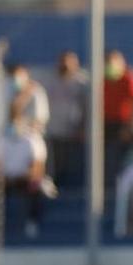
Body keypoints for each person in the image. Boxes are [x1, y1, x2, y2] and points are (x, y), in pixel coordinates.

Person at [0, 113, 47, 239]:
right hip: (5, 180)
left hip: (24, 180)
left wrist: (27, 176)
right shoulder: (1, 141)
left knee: (36, 187)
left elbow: (37, 167)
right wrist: (3, 178)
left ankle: (32, 222)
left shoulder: (31, 140)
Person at [45, 51, 88, 188]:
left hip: (73, 131)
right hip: (54, 130)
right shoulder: (49, 81)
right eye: (63, 62)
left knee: (72, 164)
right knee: (55, 163)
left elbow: (87, 107)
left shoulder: (81, 82)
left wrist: (83, 127)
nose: (65, 65)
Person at [103, 50, 133, 185]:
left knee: (117, 157)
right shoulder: (101, 79)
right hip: (104, 124)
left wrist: (129, 126)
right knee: (105, 158)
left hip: (122, 124)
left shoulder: (128, 78)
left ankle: (118, 187)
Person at [7, 64, 50, 137]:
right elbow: (10, 117)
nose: (16, 78)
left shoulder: (37, 92)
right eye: (13, 76)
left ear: (26, 75)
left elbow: (40, 119)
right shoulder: (12, 92)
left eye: (19, 75)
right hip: (15, 136)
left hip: (33, 136)